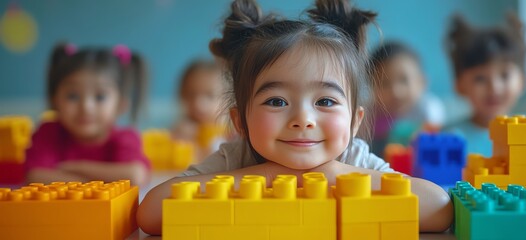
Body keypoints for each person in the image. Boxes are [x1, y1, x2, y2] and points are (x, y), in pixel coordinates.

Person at [137, 0, 453, 235]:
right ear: (240, 122)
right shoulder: (237, 158)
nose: (303, 119)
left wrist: (335, 173)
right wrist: (267, 174)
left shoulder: (353, 158)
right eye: (277, 101)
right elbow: (151, 213)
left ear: (356, 121)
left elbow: (439, 208)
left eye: (325, 101)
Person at [25, 43, 150, 186]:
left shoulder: (125, 138)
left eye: (100, 97)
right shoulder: (49, 133)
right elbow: (35, 176)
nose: (86, 107)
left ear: (121, 105)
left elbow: (135, 175)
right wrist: (97, 184)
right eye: (72, 96)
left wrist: (74, 167)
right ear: (54, 101)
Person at [444, 13, 526, 157]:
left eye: (504, 75)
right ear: (459, 85)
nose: (494, 88)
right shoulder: (448, 138)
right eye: (480, 79)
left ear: (522, 80)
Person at [370, 41, 445, 156]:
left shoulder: (428, 108)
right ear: (372, 88)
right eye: (384, 84)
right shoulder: (370, 114)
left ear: (422, 82)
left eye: (404, 80)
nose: (396, 92)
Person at [171, 59, 229, 161]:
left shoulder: (229, 130)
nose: (199, 104)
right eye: (191, 95)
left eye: (210, 95)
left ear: (226, 99)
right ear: (182, 95)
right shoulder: (182, 129)